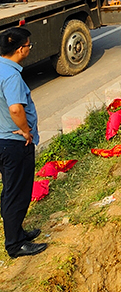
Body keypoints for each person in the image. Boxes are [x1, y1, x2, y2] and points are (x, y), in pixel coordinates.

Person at [0, 27, 47, 258]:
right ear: (20, 49)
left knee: (10, 190)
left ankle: (17, 232)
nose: (29, 48)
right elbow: (16, 108)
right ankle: (15, 244)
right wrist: (26, 131)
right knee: (17, 192)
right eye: (29, 45)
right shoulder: (11, 76)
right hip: (13, 142)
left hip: (2, 140)